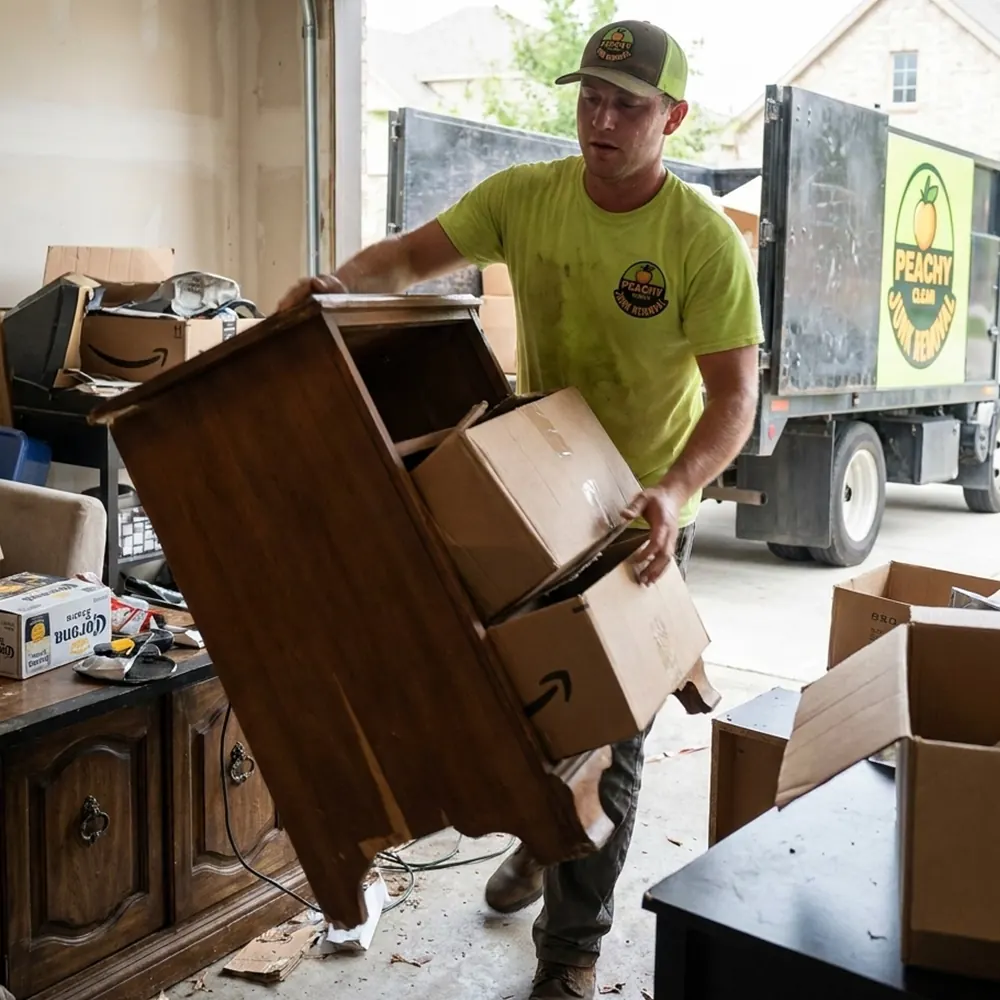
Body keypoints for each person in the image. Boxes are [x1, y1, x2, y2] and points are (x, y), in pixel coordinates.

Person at [279, 18, 762, 999]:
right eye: (589, 95)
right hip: (538, 491)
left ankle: (571, 952)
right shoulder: (527, 198)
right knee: (519, 707)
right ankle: (547, 840)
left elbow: (733, 399)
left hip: (637, 520)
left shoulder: (699, 239)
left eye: (627, 103)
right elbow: (409, 262)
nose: (601, 116)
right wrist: (329, 287)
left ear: (672, 117)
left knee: (609, 738)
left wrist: (672, 491)